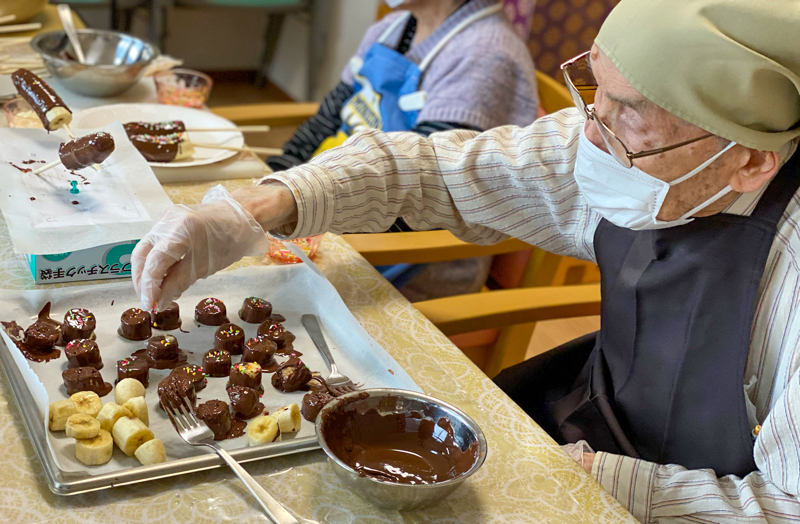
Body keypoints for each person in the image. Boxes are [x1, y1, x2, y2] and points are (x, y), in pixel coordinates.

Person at [132, 0, 800, 521]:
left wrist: (592, 479)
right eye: (592, 92)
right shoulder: (610, 147)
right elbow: (426, 168)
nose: (587, 136)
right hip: (592, 417)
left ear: (748, 160)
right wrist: (258, 206)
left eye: (628, 124)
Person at [265, 0, 539, 299]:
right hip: (336, 203)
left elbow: (427, 190)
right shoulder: (391, 28)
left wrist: (300, 210)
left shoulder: (486, 54)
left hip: (416, 255)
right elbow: (326, 121)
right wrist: (277, 176)